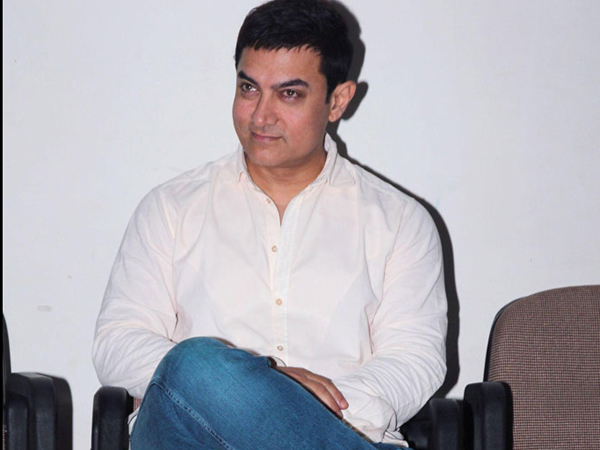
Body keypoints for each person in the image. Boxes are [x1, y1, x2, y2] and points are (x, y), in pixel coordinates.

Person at [92, 0, 447, 448]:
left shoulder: (399, 221)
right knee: (195, 363)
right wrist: (259, 384)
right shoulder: (170, 209)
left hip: (343, 431)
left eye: (289, 94)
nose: (261, 116)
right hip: (193, 441)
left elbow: (414, 359)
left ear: (338, 100)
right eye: (249, 88)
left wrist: (294, 410)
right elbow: (118, 343)